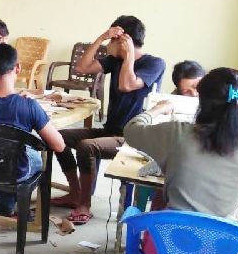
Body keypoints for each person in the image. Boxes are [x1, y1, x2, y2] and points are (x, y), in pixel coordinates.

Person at [52, 15, 165, 225]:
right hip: (110, 130)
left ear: (124, 40)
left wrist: (129, 53)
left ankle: (84, 204)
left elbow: (127, 85)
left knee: (87, 147)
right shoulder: (115, 61)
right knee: (55, 136)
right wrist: (102, 37)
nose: (108, 45)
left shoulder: (154, 63)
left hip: (134, 137)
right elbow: (82, 68)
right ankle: (76, 194)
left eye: (112, 39)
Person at [125, 68, 238, 254]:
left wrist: (158, 109)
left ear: (202, 101)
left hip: (167, 252)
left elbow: (131, 130)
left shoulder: (178, 133)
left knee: (159, 205)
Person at [0, 44, 65, 216]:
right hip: (17, 172)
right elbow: (59, 145)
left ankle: (5, 203)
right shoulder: (29, 106)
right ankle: (15, 204)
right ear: (18, 68)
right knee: (28, 154)